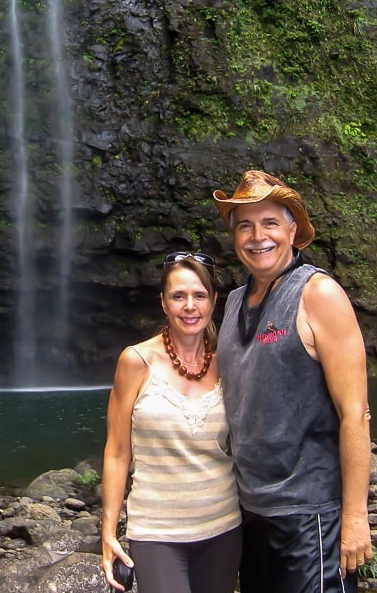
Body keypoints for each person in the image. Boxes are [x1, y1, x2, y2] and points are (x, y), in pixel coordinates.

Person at [212, 170, 373, 593]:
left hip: (310, 514)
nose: (256, 236)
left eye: (269, 223)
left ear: (292, 230)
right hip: (250, 510)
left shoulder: (318, 294)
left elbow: (355, 411)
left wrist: (355, 518)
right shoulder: (231, 303)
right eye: (244, 225)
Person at [100, 252, 242, 593]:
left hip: (223, 525)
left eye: (199, 296)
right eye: (178, 296)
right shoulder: (135, 361)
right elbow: (118, 452)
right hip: (156, 531)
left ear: (213, 301)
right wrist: (108, 531)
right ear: (163, 303)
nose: (189, 306)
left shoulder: (229, 361)